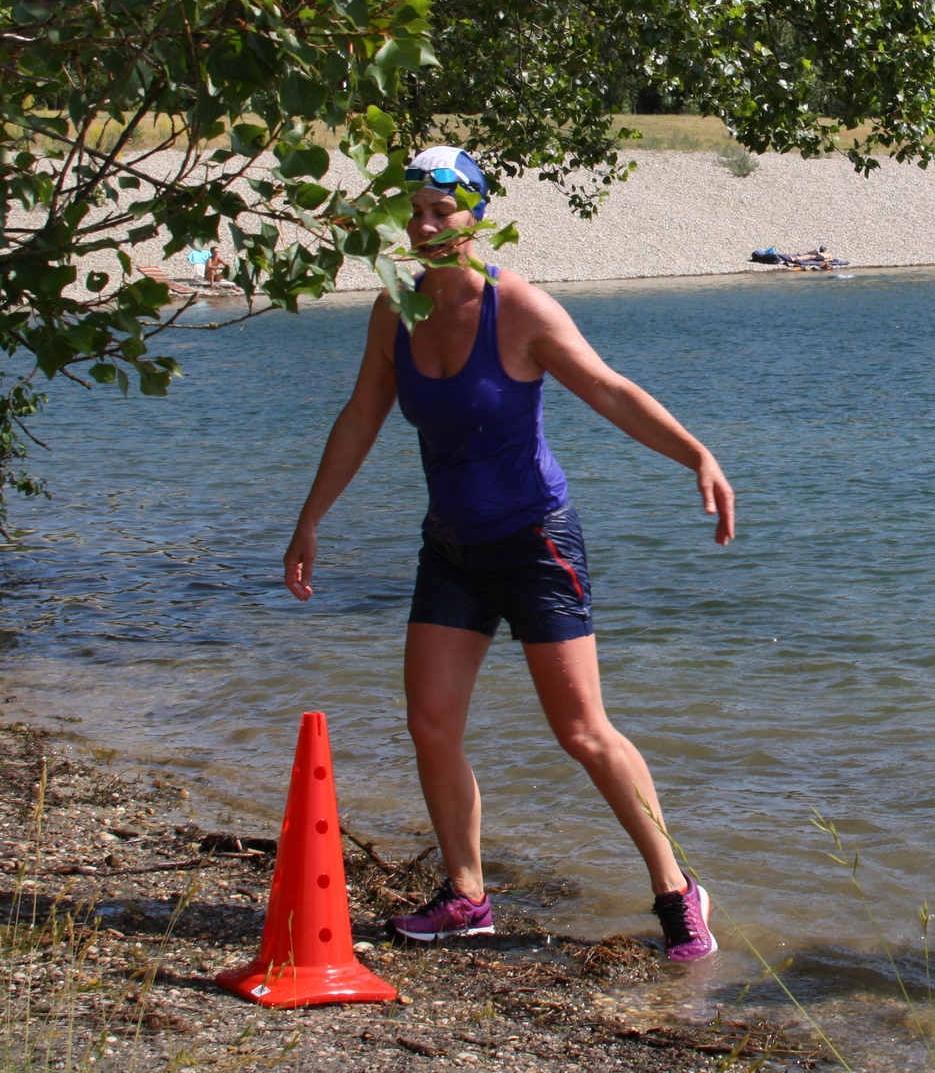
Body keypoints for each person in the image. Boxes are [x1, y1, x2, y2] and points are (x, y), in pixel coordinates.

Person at [282, 146, 734, 961]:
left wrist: (695, 454)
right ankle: (467, 896)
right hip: (451, 548)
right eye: (414, 212)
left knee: (581, 731)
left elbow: (608, 388)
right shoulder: (395, 311)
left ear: (476, 215)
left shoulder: (517, 308)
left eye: (442, 211)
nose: (426, 226)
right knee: (430, 724)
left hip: (535, 544)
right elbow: (360, 417)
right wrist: (311, 518)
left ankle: (677, 889)